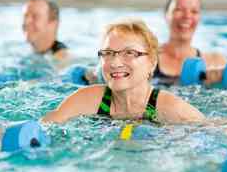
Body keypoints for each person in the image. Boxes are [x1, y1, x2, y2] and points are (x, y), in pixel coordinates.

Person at [42, 19, 204, 124]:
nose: (115, 62)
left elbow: (215, 131)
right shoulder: (88, 99)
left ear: (152, 63)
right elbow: (47, 126)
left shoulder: (171, 108)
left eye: (129, 53)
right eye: (108, 53)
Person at [154, 0, 227, 86]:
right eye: (179, 9)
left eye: (194, 11)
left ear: (199, 17)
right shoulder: (147, 59)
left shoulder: (215, 63)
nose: (187, 16)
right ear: (166, 15)